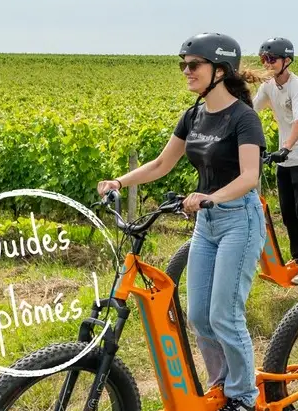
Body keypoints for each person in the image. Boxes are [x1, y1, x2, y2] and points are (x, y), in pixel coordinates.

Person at [97, 33, 269, 411]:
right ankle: (221, 386)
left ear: (220, 70)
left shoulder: (244, 118)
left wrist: (210, 197)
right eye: (183, 65)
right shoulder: (194, 115)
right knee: (198, 317)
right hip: (206, 224)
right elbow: (162, 164)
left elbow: (249, 176)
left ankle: (244, 398)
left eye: (194, 65)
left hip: (239, 219)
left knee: (225, 315)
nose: (186, 71)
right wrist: (118, 182)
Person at [253, 37, 298, 286]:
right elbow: (252, 110)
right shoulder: (268, 86)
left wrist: (285, 147)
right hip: (285, 158)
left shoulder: (297, 85)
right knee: (287, 213)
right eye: (264, 59)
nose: (267, 63)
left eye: (271, 59)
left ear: (287, 61)